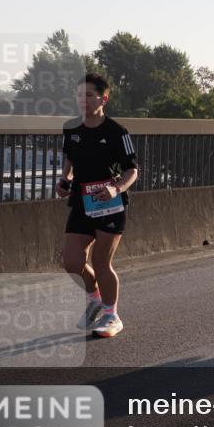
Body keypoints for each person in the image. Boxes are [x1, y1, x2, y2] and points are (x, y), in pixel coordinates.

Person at [56, 74, 139, 338]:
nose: (84, 100)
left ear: (104, 98)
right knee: (71, 261)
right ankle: (95, 299)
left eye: (90, 95)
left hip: (110, 203)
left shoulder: (117, 132)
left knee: (101, 261)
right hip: (81, 202)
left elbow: (132, 170)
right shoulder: (72, 130)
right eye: (80, 95)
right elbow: (70, 159)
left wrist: (116, 188)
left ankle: (111, 316)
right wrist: (64, 180)